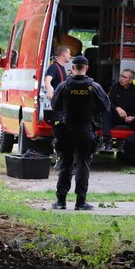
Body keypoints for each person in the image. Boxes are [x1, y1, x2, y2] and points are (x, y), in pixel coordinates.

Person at [49, 55, 109, 210]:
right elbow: (105, 105)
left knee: (65, 165)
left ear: (73, 68)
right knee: (83, 165)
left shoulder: (64, 85)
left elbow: (54, 105)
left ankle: (61, 201)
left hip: (67, 130)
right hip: (86, 130)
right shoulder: (94, 86)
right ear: (86, 68)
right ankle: (80, 202)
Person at [100, 69, 135, 153]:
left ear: (130, 80)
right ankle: (108, 140)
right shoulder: (115, 87)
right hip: (116, 116)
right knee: (106, 113)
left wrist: (133, 117)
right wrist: (117, 108)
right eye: (121, 76)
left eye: (124, 77)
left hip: (129, 119)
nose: (121, 79)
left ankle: (124, 143)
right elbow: (108, 103)